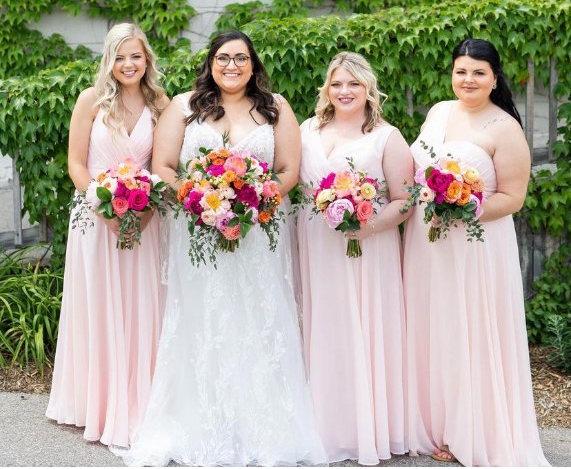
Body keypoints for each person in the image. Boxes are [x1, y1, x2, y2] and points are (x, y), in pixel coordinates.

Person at [118, 30, 326, 466]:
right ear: (210, 63)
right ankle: (197, 421)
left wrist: (256, 200)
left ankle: (263, 427)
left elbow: (289, 169)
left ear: (254, 65)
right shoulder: (183, 106)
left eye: (241, 58)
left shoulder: (276, 107)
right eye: (223, 58)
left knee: (257, 316)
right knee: (203, 318)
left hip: (259, 234)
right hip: (197, 231)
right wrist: (198, 201)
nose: (232, 66)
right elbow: (164, 166)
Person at [403, 38, 549, 467]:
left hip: (474, 248)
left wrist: (465, 207)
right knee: (435, 328)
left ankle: (473, 432)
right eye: (461, 70)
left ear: (494, 78)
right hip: (427, 245)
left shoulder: (505, 127)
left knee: (469, 330)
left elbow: (513, 197)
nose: (468, 79)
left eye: (478, 72)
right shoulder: (438, 112)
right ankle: (437, 427)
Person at [46, 23, 170, 448]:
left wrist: (148, 208)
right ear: (108, 60)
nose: (128, 64)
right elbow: (76, 165)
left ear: (147, 59)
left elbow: (166, 163)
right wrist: (104, 205)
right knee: (101, 303)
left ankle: (144, 397)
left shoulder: (160, 103)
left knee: (142, 303)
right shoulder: (90, 101)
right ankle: (98, 403)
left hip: (148, 220)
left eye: (135, 56)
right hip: (98, 221)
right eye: (120, 57)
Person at [297, 51, 414, 465]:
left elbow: (405, 201)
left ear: (369, 88)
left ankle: (363, 428)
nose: (344, 91)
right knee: (322, 324)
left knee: (361, 326)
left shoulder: (386, 136)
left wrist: (366, 227)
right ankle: (321, 425)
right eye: (337, 83)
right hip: (314, 241)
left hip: (367, 245)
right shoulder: (307, 128)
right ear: (327, 88)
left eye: (354, 84)